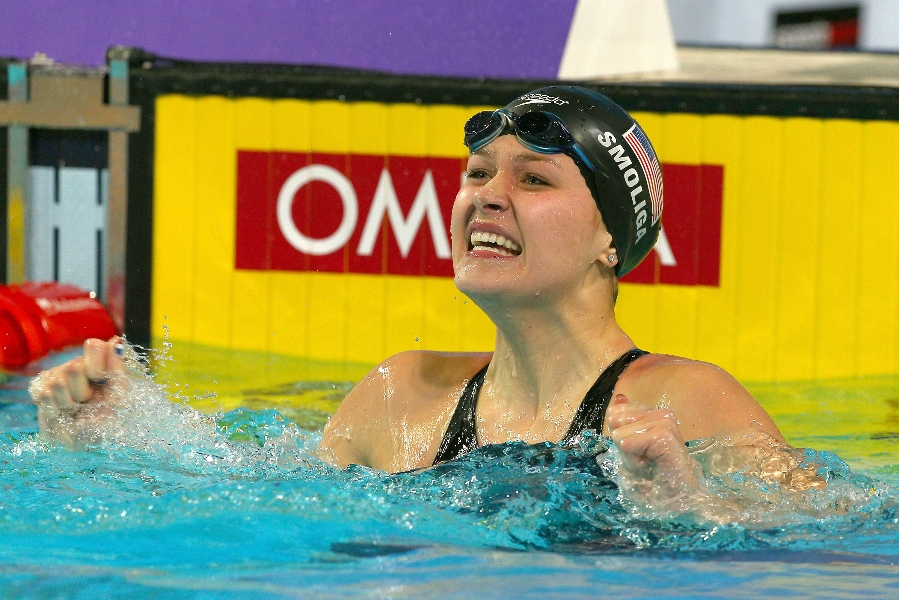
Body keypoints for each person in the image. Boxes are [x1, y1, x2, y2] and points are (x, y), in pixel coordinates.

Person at [32, 86, 788, 495]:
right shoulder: (401, 396)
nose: (486, 196)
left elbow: (817, 542)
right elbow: (256, 507)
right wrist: (105, 443)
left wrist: (686, 504)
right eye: (478, 173)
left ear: (610, 242)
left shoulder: (690, 402)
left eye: (533, 179)